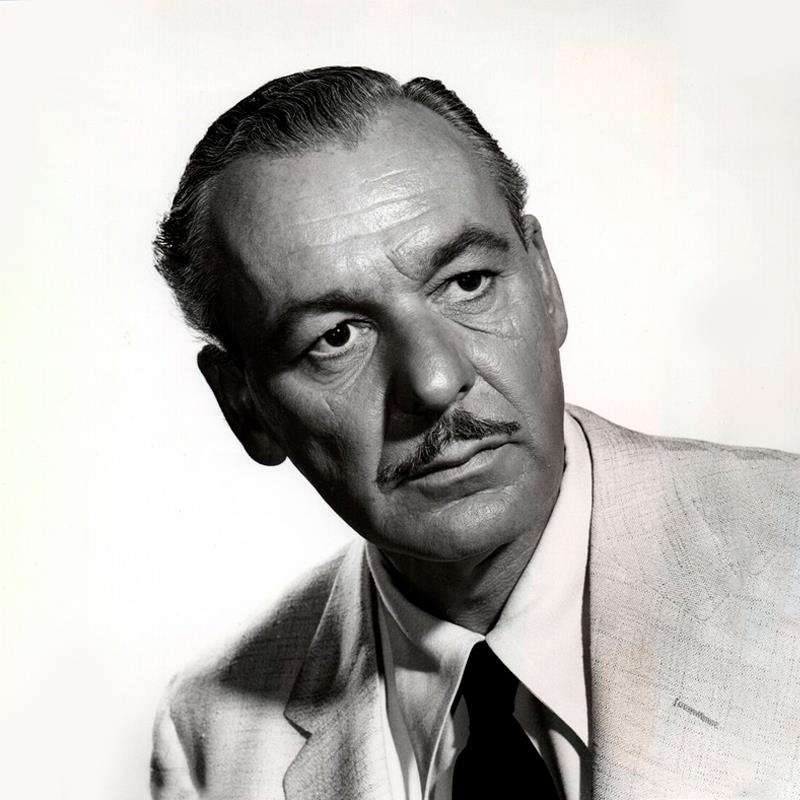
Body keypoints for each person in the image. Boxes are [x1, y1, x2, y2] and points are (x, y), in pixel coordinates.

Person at [149, 66, 800, 800]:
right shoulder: (209, 736)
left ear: (545, 281)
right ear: (243, 406)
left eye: (467, 283)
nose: (433, 381)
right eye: (336, 337)